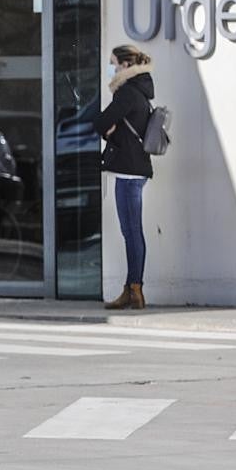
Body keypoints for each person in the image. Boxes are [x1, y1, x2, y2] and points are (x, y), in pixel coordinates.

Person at [94, 44, 155, 310]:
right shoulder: (140, 90)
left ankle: (134, 289)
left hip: (129, 172)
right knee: (132, 231)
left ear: (126, 66)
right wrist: (112, 129)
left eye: (113, 63)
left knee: (131, 232)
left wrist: (109, 131)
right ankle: (133, 288)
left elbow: (100, 122)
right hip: (135, 169)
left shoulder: (128, 92)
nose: (111, 68)